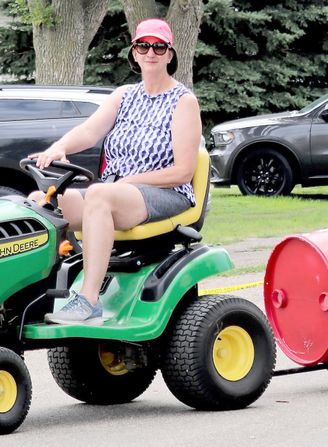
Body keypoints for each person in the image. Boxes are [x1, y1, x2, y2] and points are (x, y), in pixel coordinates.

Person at [29, 18, 201, 324]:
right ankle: (33, 294)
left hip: (165, 193)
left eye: (159, 46)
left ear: (170, 54)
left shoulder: (183, 102)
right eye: (143, 46)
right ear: (134, 53)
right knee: (40, 201)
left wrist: (131, 181)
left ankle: (89, 300)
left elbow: (184, 172)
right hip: (115, 192)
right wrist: (59, 147)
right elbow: (89, 131)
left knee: (99, 194)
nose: (151, 52)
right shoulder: (124, 96)